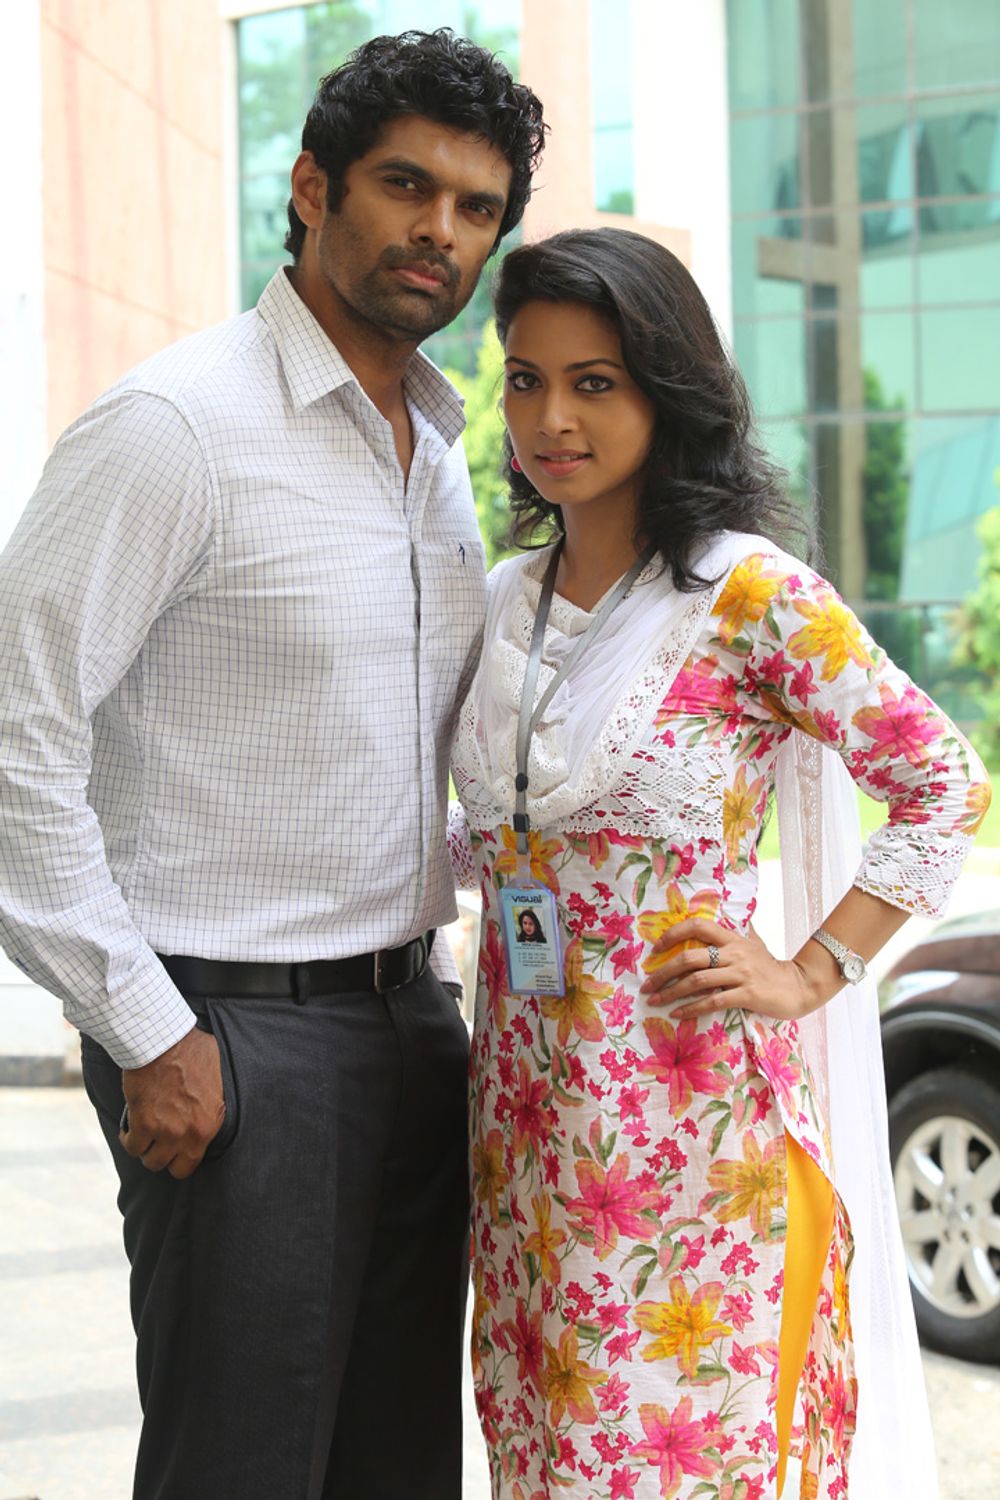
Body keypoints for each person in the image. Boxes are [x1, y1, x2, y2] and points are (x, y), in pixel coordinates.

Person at [0, 30, 544, 1500]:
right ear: (313, 188)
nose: (441, 232)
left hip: (414, 1025)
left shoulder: (436, 451)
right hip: (231, 1041)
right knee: (240, 1470)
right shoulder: (173, 427)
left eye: (477, 208)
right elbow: (16, 737)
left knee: (395, 1468)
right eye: (406, 185)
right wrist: (146, 1031)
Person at [450, 228, 991, 1500]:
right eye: (525, 379)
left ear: (667, 391)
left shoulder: (748, 594)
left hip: (689, 1134)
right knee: (544, 1460)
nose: (550, 418)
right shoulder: (506, 598)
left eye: (594, 383)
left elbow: (942, 785)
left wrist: (810, 970)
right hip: (525, 1131)